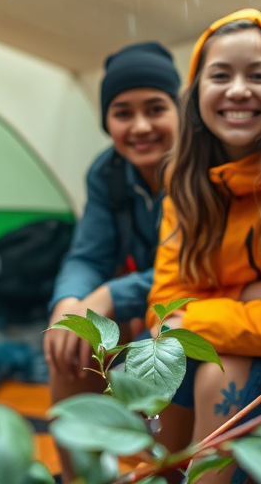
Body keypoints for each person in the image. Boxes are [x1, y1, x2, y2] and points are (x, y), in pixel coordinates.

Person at [147, 9, 261, 484]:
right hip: (238, 336)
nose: (238, 91)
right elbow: (164, 314)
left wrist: (205, 314)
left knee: (220, 373)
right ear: (197, 93)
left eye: (258, 75)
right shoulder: (184, 178)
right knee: (151, 374)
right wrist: (255, 294)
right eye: (221, 76)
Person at [45, 42, 181, 469]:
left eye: (156, 108)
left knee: (167, 343)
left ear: (181, 111)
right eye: (123, 113)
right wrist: (69, 303)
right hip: (142, 298)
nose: (140, 126)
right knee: (72, 343)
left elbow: (193, 266)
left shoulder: (200, 168)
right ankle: (78, 474)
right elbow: (87, 254)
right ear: (106, 121)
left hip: (189, 297)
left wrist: (108, 295)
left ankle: (170, 463)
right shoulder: (109, 173)